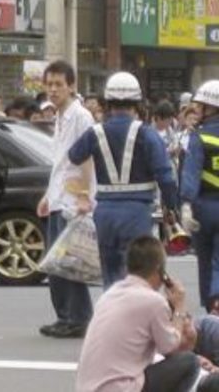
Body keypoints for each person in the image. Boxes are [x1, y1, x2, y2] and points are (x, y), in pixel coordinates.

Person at [69, 72, 178, 287]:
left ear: (108, 103)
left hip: (105, 213)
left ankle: (114, 317)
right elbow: (166, 175)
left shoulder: (96, 132)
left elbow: (74, 156)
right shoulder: (147, 134)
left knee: (110, 276)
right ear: (137, 103)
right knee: (140, 275)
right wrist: (171, 206)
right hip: (137, 212)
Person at [76, 236, 199, 392]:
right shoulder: (153, 301)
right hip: (120, 387)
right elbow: (170, 348)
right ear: (160, 271)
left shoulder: (109, 294)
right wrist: (179, 307)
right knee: (189, 362)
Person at [36, 60, 96, 338]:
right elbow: (59, 162)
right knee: (55, 262)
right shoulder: (59, 116)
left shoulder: (81, 116)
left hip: (74, 200)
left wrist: (84, 196)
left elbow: (85, 159)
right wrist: (47, 195)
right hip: (59, 197)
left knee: (69, 262)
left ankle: (79, 318)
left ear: (72, 86)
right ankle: (64, 316)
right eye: (49, 84)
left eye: (59, 84)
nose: (53, 90)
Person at [179, 80, 219, 313]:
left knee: (205, 262)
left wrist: (185, 204)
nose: (198, 112)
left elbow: (191, 174)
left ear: (211, 109)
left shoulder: (199, 138)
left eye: (202, 107)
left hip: (203, 208)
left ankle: (210, 308)